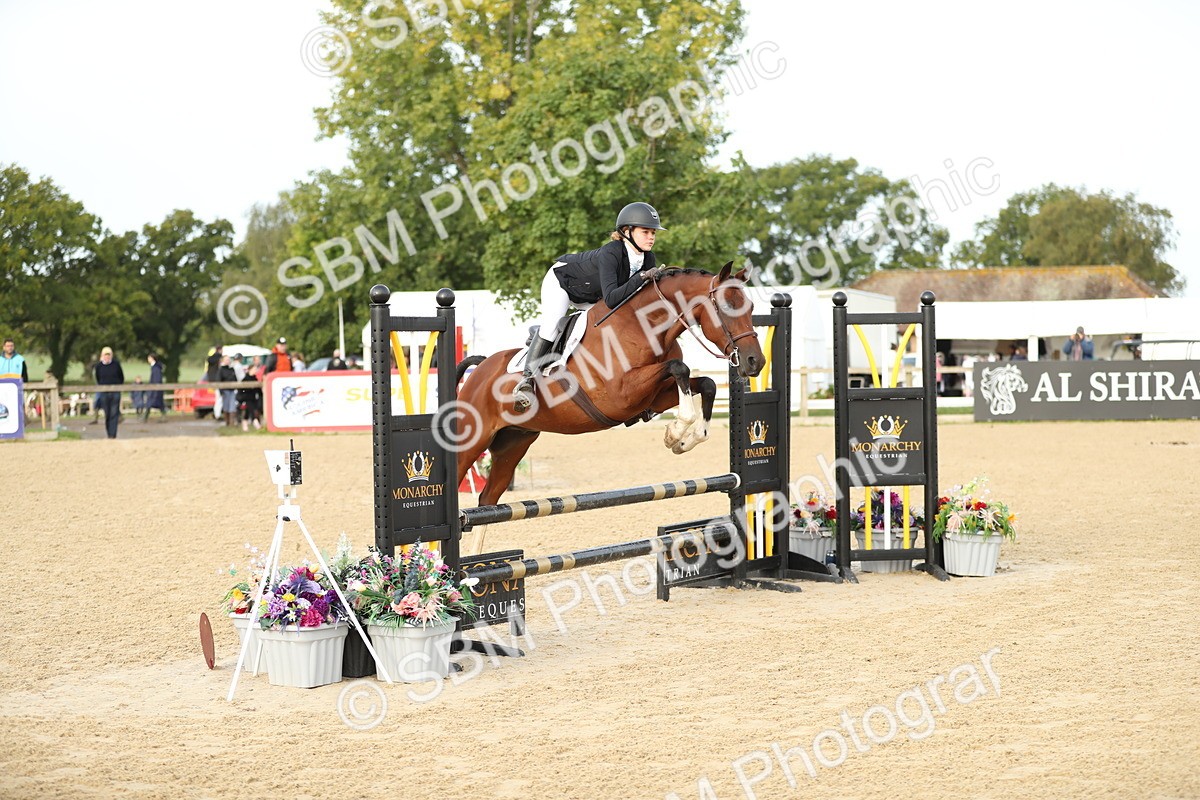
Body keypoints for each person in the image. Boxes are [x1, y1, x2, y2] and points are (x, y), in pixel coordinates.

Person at [512, 201, 666, 409]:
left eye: (653, 233)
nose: (651, 237)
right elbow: (612, 299)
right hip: (563, 283)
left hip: (592, 294)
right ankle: (527, 380)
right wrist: (641, 279)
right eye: (645, 232)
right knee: (550, 327)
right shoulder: (611, 252)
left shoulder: (648, 258)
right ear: (627, 231)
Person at [93, 346, 124, 439]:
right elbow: (98, 378)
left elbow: (121, 377)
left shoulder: (116, 364)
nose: (107, 357)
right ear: (102, 356)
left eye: (109, 355)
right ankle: (108, 431)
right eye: (105, 355)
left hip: (115, 392)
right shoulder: (99, 366)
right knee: (107, 413)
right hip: (104, 392)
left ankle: (112, 434)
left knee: (114, 413)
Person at [142, 353, 167, 421]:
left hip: (155, 389)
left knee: (153, 402)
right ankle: (145, 417)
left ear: (152, 358)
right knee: (153, 403)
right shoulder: (155, 367)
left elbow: (157, 379)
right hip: (154, 388)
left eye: (149, 358)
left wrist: (154, 387)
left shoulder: (156, 368)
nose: (148, 359)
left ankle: (145, 417)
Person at [218, 354, 239, 427]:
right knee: (226, 406)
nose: (228, 361)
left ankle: (231, 423)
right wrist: (221, 391)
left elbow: (235, 379)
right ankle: (227, 422)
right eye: (226, 359)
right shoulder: (221, 369)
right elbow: (219, 381)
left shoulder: (232, 369)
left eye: (228, 359)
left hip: (232, 390)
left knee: (232, 406)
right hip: (225, 390)